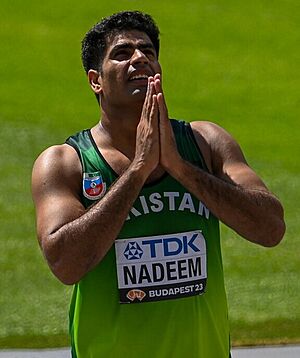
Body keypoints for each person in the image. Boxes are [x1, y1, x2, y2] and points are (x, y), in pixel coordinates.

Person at [31, 10, 285, 358]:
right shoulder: (65, 162)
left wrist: (181, 170)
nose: (139, 58)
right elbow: (65, 264)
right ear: (96, 80)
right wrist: (137, 171)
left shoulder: (204, 142)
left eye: (148, 52)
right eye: (122, 53)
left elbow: (271, 228)